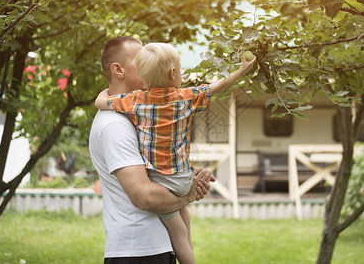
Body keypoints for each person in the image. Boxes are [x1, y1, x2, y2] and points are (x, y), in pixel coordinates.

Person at [95, 42, 256, 264]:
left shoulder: (133, 105)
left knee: (181, 233)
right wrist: (188, 192)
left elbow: (101, 102)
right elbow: (144, 196)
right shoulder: (115, 124)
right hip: (139, 251)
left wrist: (103, 93)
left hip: (153, 246)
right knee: (183, 234)